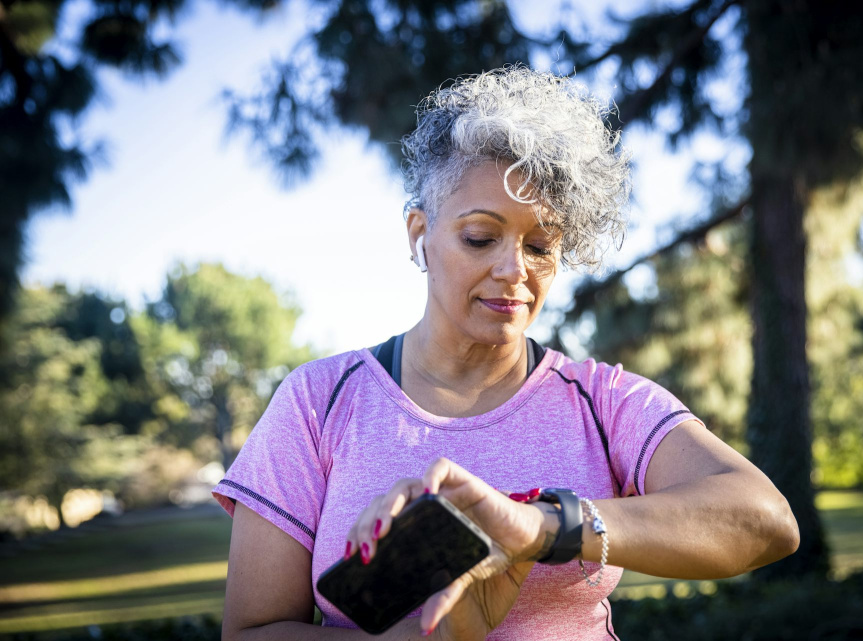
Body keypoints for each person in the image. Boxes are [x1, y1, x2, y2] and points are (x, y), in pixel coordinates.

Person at [213, 65, 800, 641]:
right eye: (480, 237)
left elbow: (766, 520)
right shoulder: (319, 402)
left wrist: (538, 525)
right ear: (419, 234)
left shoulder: (602, 402)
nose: (514, 269)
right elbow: (251, 631)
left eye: (540, 246)